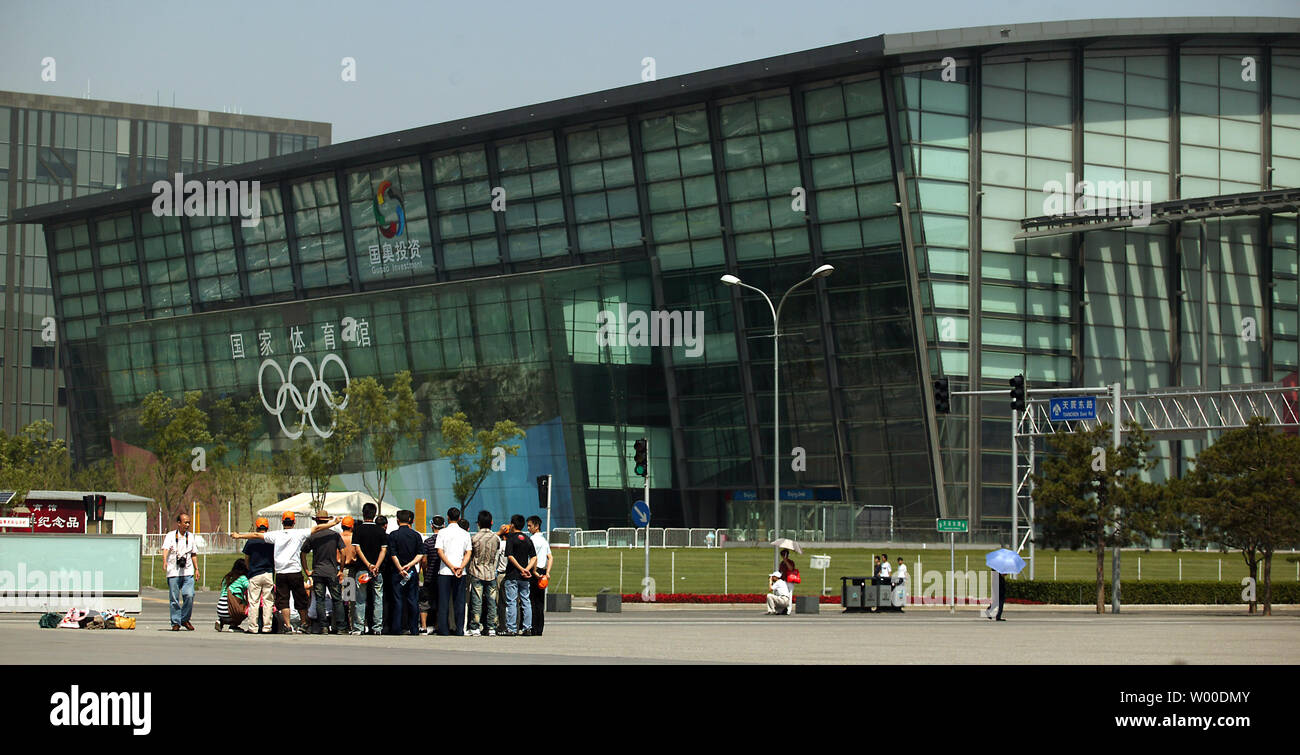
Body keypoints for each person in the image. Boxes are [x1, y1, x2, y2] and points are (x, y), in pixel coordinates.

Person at [232, 511, 338, 634]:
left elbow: (256, 535)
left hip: (281, 572)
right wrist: (333, 523)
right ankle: (303, 623)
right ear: (294, 522)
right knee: (300, 599)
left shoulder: (276, 535)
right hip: (295, 571)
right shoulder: (299, 533)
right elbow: (318, 527)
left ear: (282, 522)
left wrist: (239, 536)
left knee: (284, 600)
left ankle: (287, 625)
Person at [302, 510, 346, 635]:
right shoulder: (335, 535)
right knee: (337, 599)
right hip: (332, 571)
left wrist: (306, 570)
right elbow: (343, 552)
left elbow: (303, 553)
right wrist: (341, 569)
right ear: (327, 520)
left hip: (318, 572)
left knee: (320, 600)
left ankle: (323, 627)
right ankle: (341, 627)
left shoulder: (313, 536)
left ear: (317, 521)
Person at [351, 504, 388, 635]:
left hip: (362, 568)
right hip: (377, 571)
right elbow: (384, 549)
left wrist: (368, 564)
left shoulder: (358, 530)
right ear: (374, 514)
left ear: (363, 513)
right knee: (378, 598)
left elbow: (357, 549)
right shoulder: (380, 531)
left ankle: (358, 627)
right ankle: (377, 627)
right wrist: (376, 565)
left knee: (360, 599)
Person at [435, 507, 473, 636]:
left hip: (445, 571)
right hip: (460, 572)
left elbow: (440, 551)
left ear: (447, 517)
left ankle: (444, 630)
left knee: (444, 602)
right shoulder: (465, 534)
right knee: (459, 601)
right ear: (459, 518)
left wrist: (450, 566)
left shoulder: (442, 532)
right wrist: (461, 566)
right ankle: (459, 630)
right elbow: (468, 552)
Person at [387, 509, 424, 636]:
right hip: (411, 571)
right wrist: (409, 565)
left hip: (397, 572)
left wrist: (400, 568)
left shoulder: (393, 535)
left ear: (398, 520)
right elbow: (420, 554)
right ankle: (414, 628)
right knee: (413, 599)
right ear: (411, 520)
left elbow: (393, 554)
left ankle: (397, 628)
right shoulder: (416, 535)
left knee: (397, 600)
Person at [162, 512, 200, 631]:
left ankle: (184, 619)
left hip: (188, 571)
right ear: (179, 523)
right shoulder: (170, 536)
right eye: (185, 522)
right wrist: (164, 561)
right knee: (174, 598)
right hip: (174, 571)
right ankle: (175, 622)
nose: (187, 525)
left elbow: (193, 553)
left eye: (189, 522)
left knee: (189, 595)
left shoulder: (191, 536)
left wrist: (197, 568)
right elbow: (166, 549)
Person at [502, 515, 536, 636]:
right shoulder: (527, 539)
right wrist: (526, 569)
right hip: (525, 577)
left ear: (512, 525)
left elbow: (510, 556)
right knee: (526, 601)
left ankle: (511, 628)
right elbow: (533, 557)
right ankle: (527, 627)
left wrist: (520, 568)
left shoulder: (511, 539)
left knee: (512, 602)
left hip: (512, 574)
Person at [466, 511, 499, 637]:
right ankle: (491, 627)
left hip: (477, 571)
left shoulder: (474, 538)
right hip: (491, 572)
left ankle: (475, 626)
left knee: (477, 601)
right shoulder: (496, 538)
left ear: (478, 523)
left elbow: (471, 554)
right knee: (492, 602)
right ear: (491, 522)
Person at [242, 517, 276, 634]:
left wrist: (249, 568)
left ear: (257, 527)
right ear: (267, 527)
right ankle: (267, 627)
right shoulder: (271, 541)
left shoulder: (251, 541)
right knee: (268, 602)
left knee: (253, 602)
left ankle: (253, 627)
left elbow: (246, 558)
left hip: (255, 573)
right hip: (268, 573)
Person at [526, 515, 552, 636]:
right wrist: (547, 572)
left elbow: (533, 557)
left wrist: (534, 571)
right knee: (540, 602)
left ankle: (532, 626)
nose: (528, 528)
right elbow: (550, 557)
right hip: (543, 571)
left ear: (536, 526)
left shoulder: (532, 540)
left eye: (530, 525)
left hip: (534, 571)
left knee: (532, 600)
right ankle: (539, 628)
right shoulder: (544, 541)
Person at [420, 516, 444, 635]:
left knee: (425, 601)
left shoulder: (428, 542)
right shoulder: (445, 541)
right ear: (443, 526)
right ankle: (437, 625)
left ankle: (424, 626)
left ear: (432, 526)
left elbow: (424, 560)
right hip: (442, 575)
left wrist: (425, 572)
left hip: (429, 575)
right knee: (440, 601)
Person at [215, 559, 251, 632]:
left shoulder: (227, 577)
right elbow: (251, 588)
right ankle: (234, 626)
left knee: (230, 609)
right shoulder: (242, 578)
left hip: (220, 609)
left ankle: (221, 621)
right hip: (230, 610)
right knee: (248, 608)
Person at [338, 516, 358, 631]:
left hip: (339, 569)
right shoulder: (353, 539)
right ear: (352, 526)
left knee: (339, 599)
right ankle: (351, 625)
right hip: (350, 570)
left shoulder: (338, 537)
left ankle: (338, 624)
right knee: (350, 600)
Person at [495, 524, 510, 631]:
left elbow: (496, 560)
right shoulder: (513, 543)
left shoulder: (501, 544)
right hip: (512, 574)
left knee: (500, 602)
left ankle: (501, 624)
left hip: (501, 574)